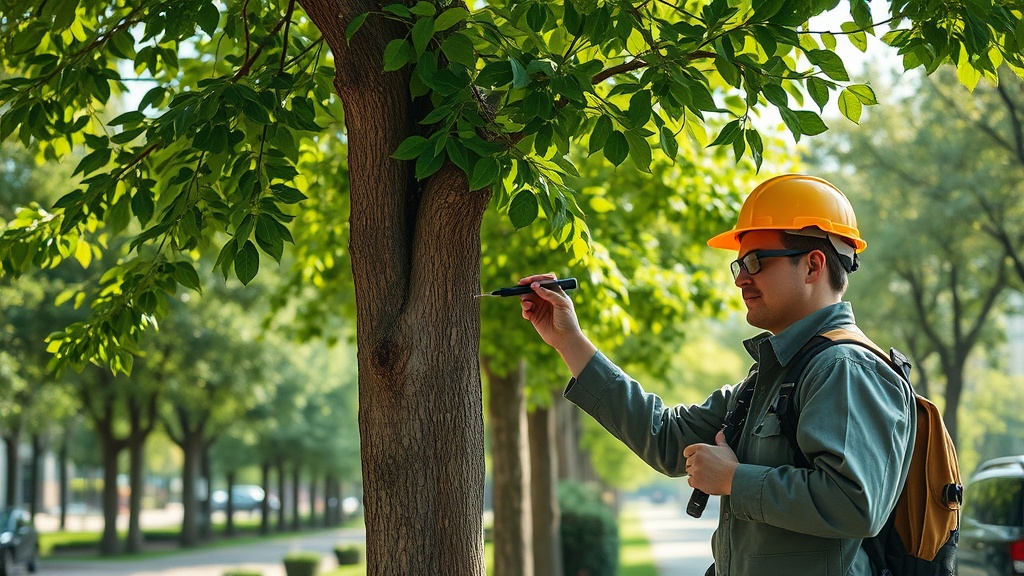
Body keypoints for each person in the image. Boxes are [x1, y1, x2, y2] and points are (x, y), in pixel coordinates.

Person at [519, 174, 916, 576]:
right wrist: (569, 341)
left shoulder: (845, 368)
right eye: (739, 265)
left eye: (756, 261)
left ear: (813, 266)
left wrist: (734, 480)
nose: (742, 277)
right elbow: (667, 438)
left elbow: (854, 505)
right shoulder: (772, 377)